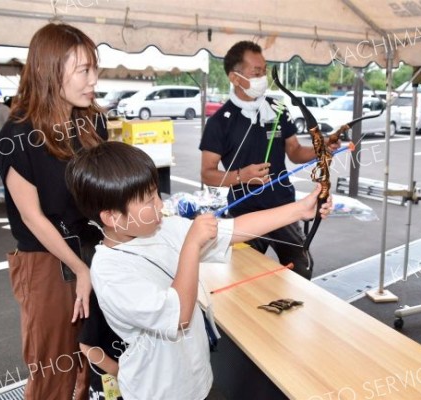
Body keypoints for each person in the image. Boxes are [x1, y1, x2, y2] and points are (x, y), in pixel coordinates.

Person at [65, 141, 331, 400]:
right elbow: (177, 315)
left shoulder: (163, 228)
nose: (159, 204)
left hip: (193, 378)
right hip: (156, 391)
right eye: (147, 201)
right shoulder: (110, 272)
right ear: (112, 217)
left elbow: (234, 229)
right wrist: (192, 245)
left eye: (156, 193)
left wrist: (300, 209)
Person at [0, 23, 107, 400]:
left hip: (94, 252)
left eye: (95, 68)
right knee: (51, 373)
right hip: (46, 262)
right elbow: (32, 218)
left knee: (89, 363)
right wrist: (79, 270)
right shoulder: (16, 136)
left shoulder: (93, 122)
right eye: (84, 70)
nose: (94, 80)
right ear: (50, 70)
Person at [199, 40, 339, 280]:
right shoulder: (219, 121)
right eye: (256, 72)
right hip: (244, 211)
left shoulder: (277, 108)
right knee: (243, 275)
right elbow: (207, 173)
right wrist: (242, 176)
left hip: (283, 207)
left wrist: (322, 147)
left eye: (264, 70)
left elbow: (294, 152)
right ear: (235, 77)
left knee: (301, 266)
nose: (263, 76)